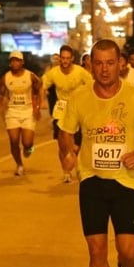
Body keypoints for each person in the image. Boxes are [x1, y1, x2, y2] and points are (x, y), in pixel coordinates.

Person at [58, 39, 134, 267]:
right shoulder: (79, 98)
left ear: (120, 64)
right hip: (91, 182)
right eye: (99, 63)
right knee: (96, 252)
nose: (104, 69)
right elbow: (66, 132)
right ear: (91, 65)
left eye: (110, 63)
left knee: (128, 253)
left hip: (125, 182)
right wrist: (67, 154)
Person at [42, 44, 93, 183]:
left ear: (72, 59)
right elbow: (42, 85)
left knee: (75, 147)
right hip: (61, 111)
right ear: (59, 59)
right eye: (62, 58)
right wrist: (39, 101)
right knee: (63, 144)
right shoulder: (53, 72)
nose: (64, 61)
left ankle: (71, 161)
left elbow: (93, 85)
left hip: (78, 110)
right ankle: (66, 172)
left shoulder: (80, 72)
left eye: (67, 58)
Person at [0, 51, 42, 176]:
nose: (14, 63)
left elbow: (38, 88)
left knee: (27, 142)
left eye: (17, 60)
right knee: (14, 140)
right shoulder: (6, 77)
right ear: (10, 63)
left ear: (22, 62)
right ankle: (19, 165)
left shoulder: (30, 76)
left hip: (27, 112)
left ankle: (29, 148)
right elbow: (1, 92)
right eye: (12, 61)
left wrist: (37, 106)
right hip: (12, 112)